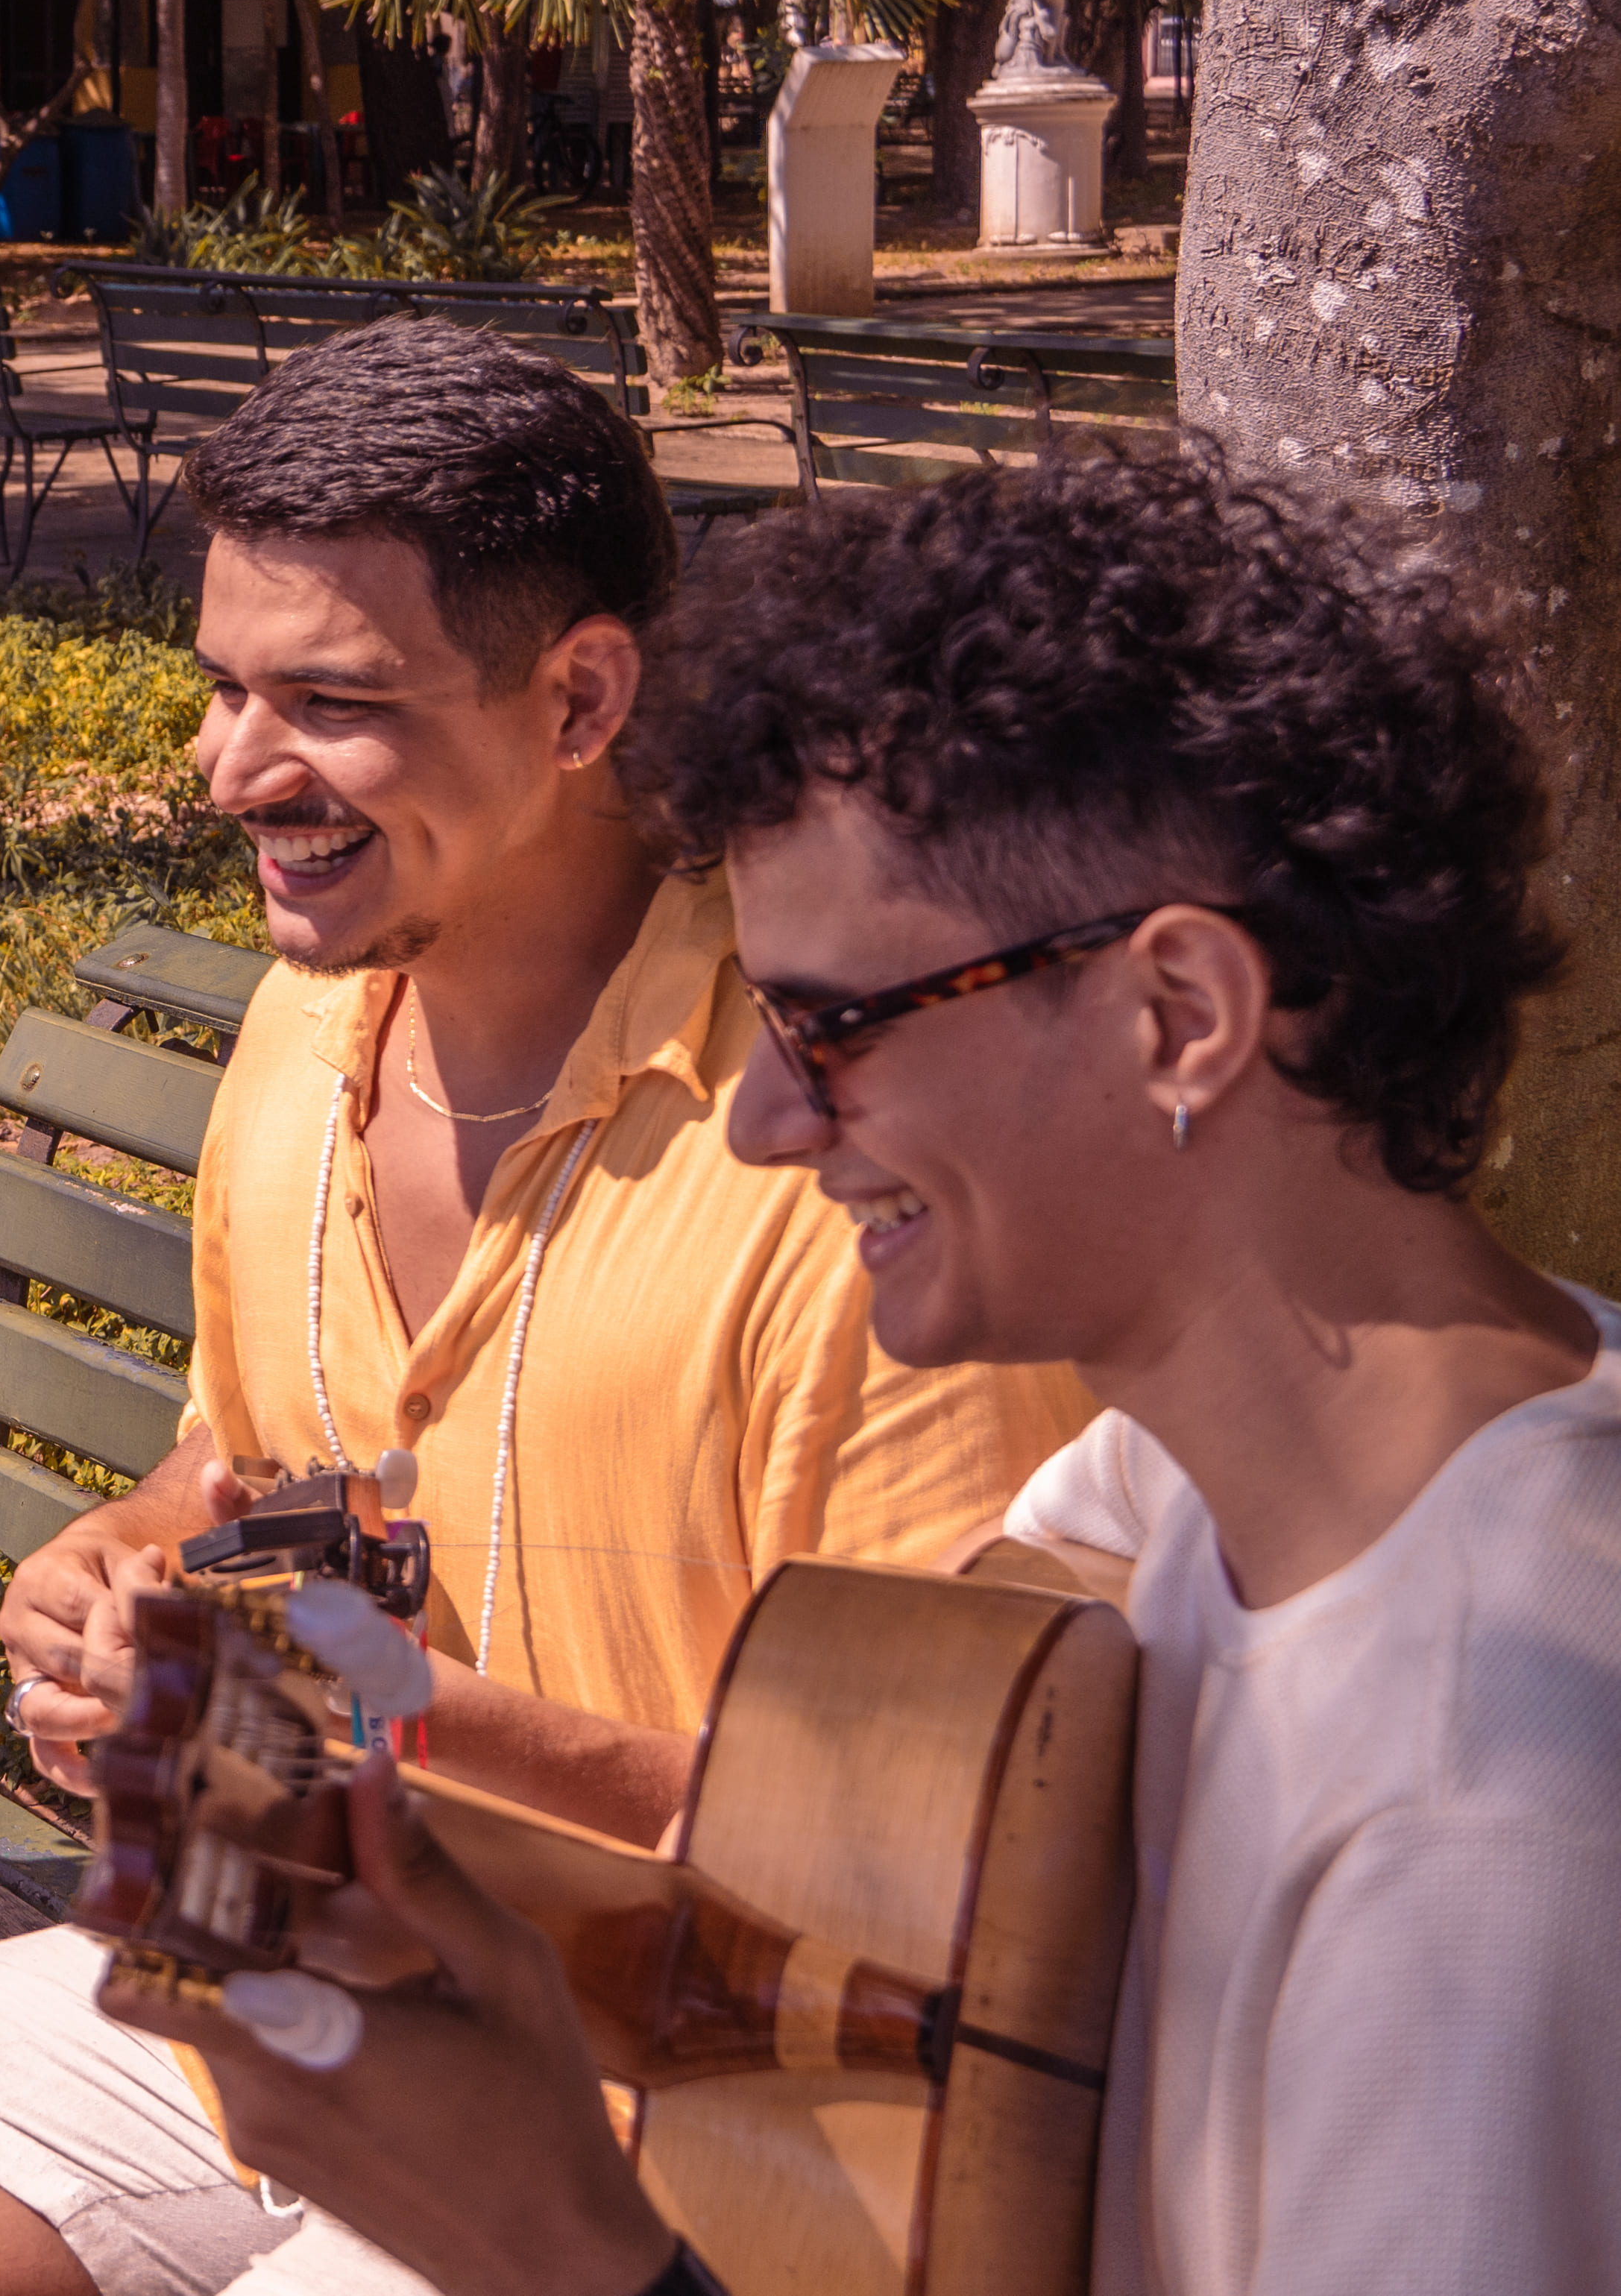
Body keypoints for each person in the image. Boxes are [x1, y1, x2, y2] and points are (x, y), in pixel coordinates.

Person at [110, 441, 1621, 2295]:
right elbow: (878, 1925)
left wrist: (567, 2245)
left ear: (1179, 1015)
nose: (758, 1117)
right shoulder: (1178, 1488)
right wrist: (359, 1859)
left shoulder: (1488, 1809)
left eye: (830, 1024)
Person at [0, 319, 1090, 2296]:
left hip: (671, 2134)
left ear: (580, 697)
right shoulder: (304, 1033)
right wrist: (124, 1567)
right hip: (262, 1961)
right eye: (221, 686)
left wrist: (367, 1707)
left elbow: (923, 1868)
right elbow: (253, 1467)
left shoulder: (839, 1152)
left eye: (331, 702)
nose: (227, 768)